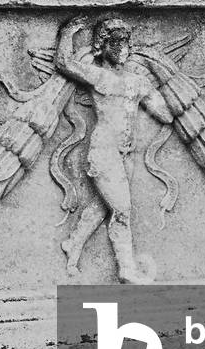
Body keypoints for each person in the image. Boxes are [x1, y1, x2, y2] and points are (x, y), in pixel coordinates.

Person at [55, 16, 173, 283]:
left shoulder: (137, 82)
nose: (124, 48)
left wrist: (167, 81)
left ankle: (74, 243)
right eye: (117, 42)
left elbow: (165, 114)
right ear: (102, 45)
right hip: (104, 152)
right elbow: (63, 64)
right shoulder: (99, 76)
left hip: (126, 155)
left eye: (126, 42)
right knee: (122, 210)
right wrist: (67, 33)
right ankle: (127, 270)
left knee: (104, 206)